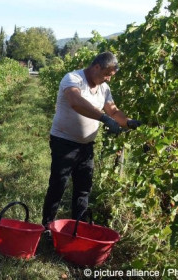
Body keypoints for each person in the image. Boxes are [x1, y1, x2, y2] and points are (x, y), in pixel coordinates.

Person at [41, 52, 141, 227]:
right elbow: (76, 101)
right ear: (96, 67)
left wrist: (127, 122)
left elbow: (113, 111)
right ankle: (47, 226)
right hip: (64, 142)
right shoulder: (73, 78)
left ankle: (77, 227)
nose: (109, 79)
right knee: (58, 185)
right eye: (107, 74)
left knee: (83, 188)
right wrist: (104, 119)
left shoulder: (103, 88)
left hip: (86, 146)